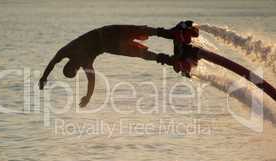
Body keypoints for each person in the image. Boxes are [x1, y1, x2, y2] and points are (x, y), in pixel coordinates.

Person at [39, 21, 199, 107]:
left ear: (69, 64)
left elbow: (53, 62)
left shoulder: (68, 50)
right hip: (110, 44)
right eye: (76, 71)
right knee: (141, 53)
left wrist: (44, 78)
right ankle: (173, 60)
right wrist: (88, 97)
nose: (77, 68)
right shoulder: (83, 61)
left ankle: (174, 32)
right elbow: (91, 80)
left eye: (74, 68)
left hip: (107, 33)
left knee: (139, 30)